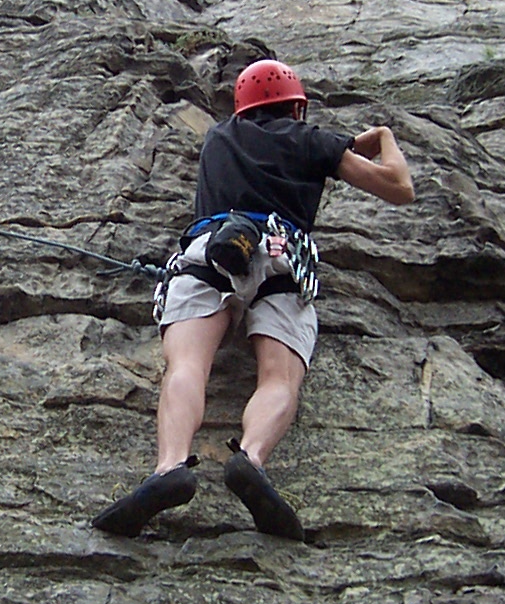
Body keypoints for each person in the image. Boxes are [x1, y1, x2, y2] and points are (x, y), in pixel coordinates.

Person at [91, 59, 415, 543]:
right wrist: (380, 137)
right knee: (278, 376)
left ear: (243, 108)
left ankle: (170, 466)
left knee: (186, 367)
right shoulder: (311, 140)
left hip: (212, 249)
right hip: (284, 256)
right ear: (296, 107)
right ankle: (252, 459)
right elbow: (399, 188)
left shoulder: (219, 139)